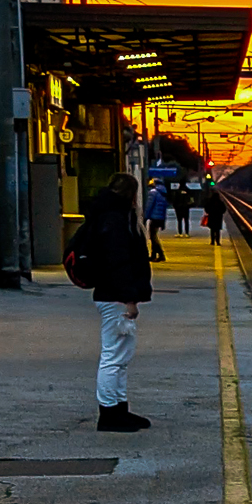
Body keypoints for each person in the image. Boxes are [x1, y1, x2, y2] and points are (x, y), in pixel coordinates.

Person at [87, 173, 153, 432]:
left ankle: (119, 408)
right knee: (113, 357)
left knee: (121, 357)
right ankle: (108, 414)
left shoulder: (113, 216)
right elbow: (118, 262)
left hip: (115, 296)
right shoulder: (114, 220)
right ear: (131, 194)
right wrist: (129, 299)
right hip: (115, 298)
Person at [144, 177, 169, 261]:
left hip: (154, 217)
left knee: (153, 236)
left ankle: (160, 254)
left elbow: (149, 205)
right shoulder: (163, 193)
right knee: (154, 235)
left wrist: (145, 216)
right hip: (160, 217)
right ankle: (154, 255)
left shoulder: (153, 192)